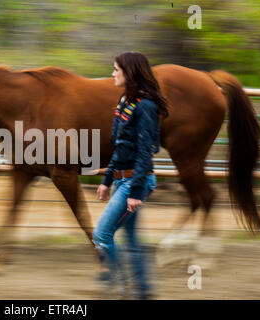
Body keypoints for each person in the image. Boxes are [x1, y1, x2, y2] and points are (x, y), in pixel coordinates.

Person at [93, 51, 168, 299]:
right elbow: (122, 146)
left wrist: (135, 192)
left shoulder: (145, 106)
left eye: (116, 69)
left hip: (135, 182)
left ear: (130, 73)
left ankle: (123, 290)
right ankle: (143, 292)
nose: (113, 73)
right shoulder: (127, 101)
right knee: (131, 240)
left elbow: (145, 150)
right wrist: (106, 181)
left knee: (102, 234)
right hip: (122, 179)